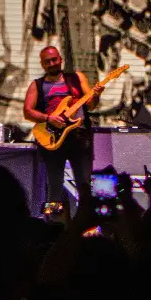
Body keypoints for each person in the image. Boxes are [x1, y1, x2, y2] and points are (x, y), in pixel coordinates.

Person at [23, 46, 104, 210]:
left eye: (54, 60)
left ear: (60, 59)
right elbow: (27, 111)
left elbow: (91, 105)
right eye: (47, 62)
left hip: (79, 137)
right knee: (54, 186)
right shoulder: (37, 85)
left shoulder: (76, 78)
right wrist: (48, 118)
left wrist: (97, 94)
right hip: (53, 138)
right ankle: (54, 224)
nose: (52, 63)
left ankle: (86, 224)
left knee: (85, 185)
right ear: (42, 64)